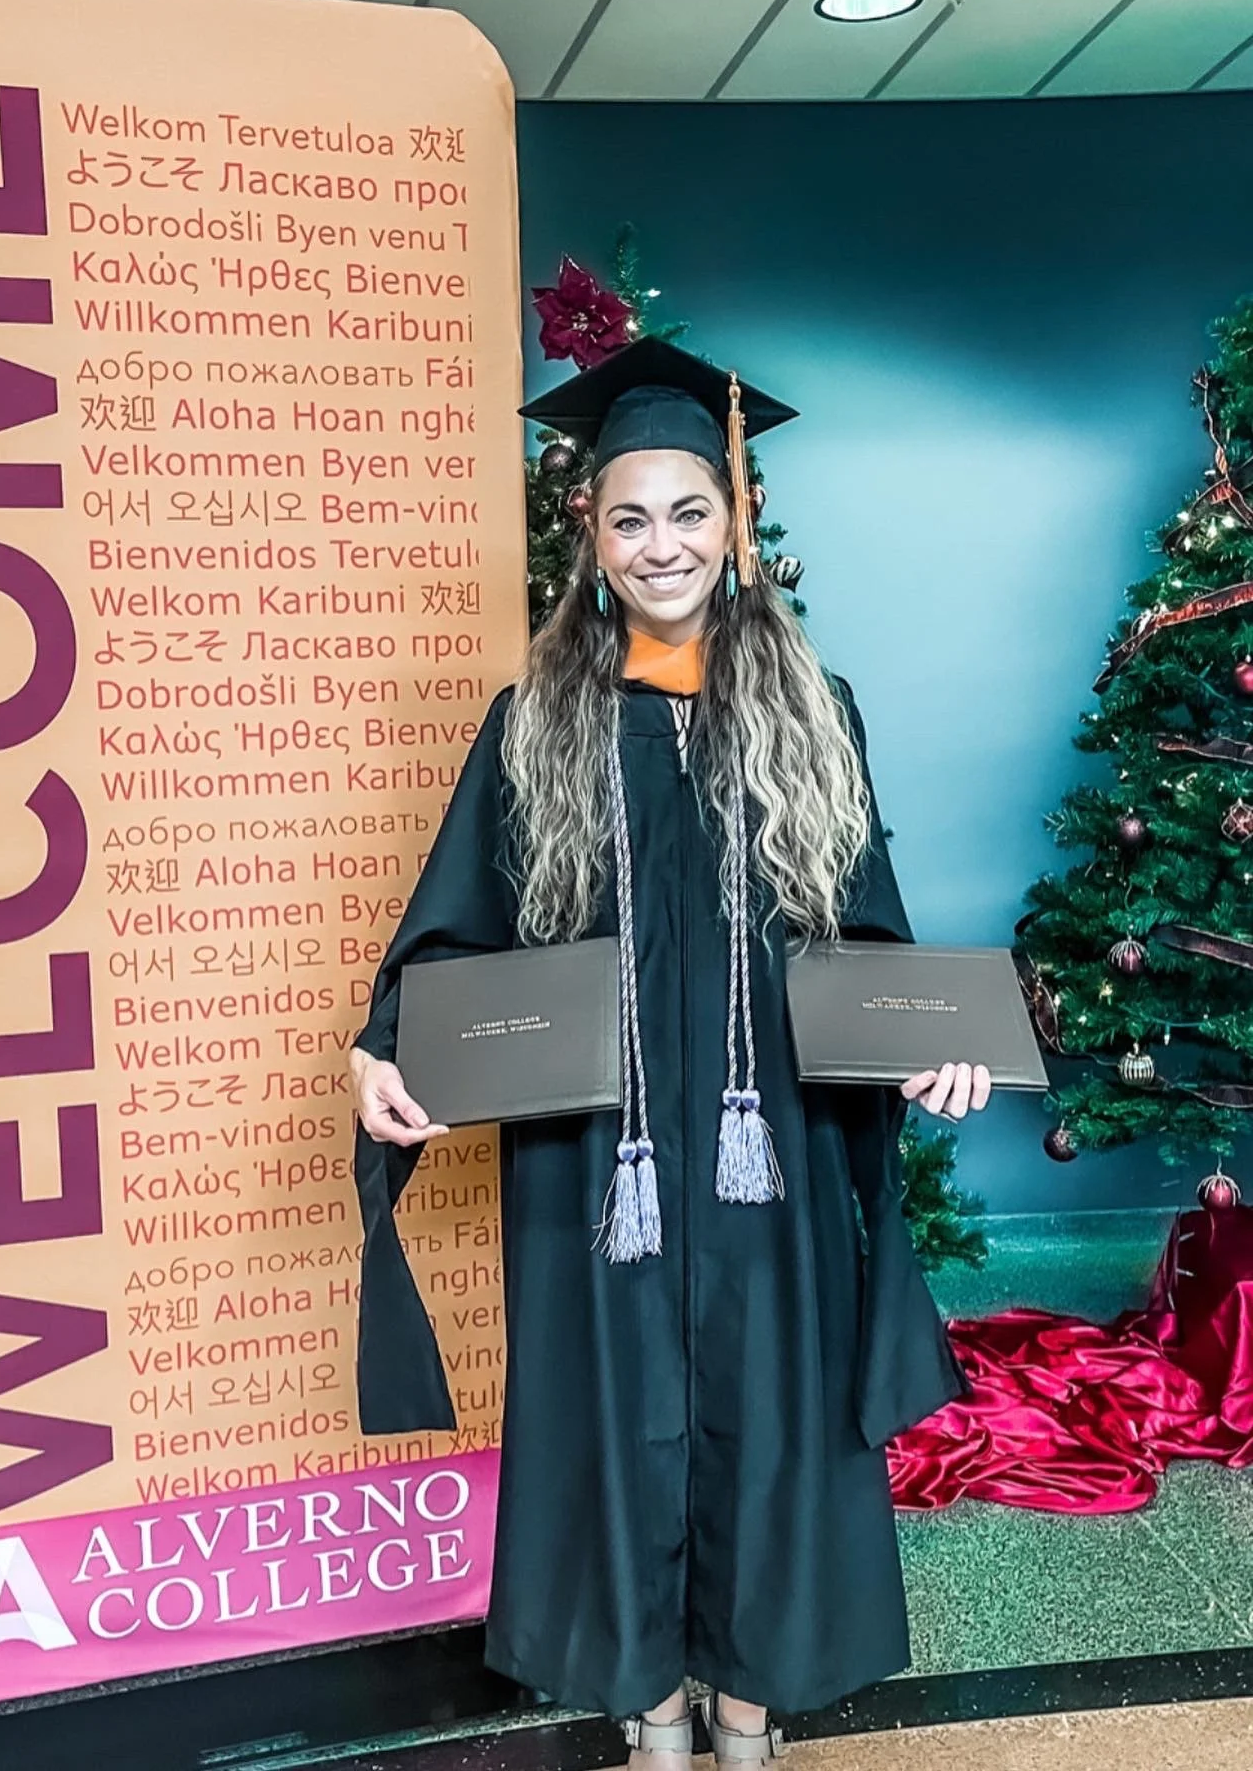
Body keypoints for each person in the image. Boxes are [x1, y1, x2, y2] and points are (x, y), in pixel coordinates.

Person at [348, 336, 990, 1769]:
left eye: (689, 512)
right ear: (590, 534)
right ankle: (650, 1713)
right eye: (629, 517)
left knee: (771, 1419)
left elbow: (868, 939)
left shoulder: (814, 718)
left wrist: (930, 1052)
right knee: (613, 1417)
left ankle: (748, 1715)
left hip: (773, 1159)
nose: (663, 546)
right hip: (601, 1165)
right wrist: (385, 1049)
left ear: (735, 522)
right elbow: (454, 931)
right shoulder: (534, 728)